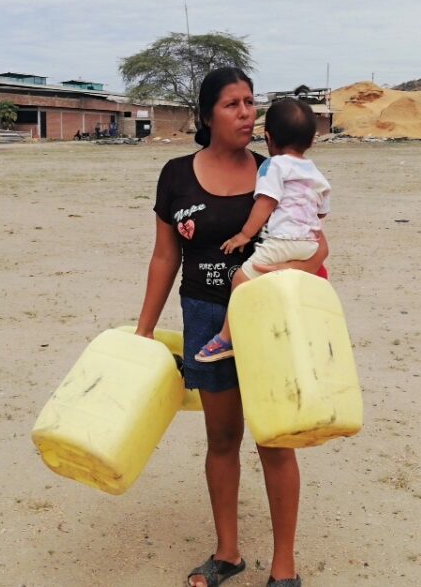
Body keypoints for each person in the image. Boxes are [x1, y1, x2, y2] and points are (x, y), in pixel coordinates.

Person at [135, 67, 325, 587]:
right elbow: (163, 256)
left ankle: (283, 568)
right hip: (203, 317)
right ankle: (228, 554)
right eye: (232, 104)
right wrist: (143, 332)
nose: (246, 113)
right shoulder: (175, 175)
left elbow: (316, 248)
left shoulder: (277, 172)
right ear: (206, 114)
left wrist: (286, 273)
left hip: (267, 323)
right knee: (222, 438)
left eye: (250, 103)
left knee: (275, 438)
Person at [194, 97, 330, 363]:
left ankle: (225, 339)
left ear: (268, 138)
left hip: (283, 241)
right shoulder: (315, 173)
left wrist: (245, 235)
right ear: (312, 141)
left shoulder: (274, 165)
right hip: (309, 243)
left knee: (241, 280)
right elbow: (321, 211)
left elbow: (266, 201)